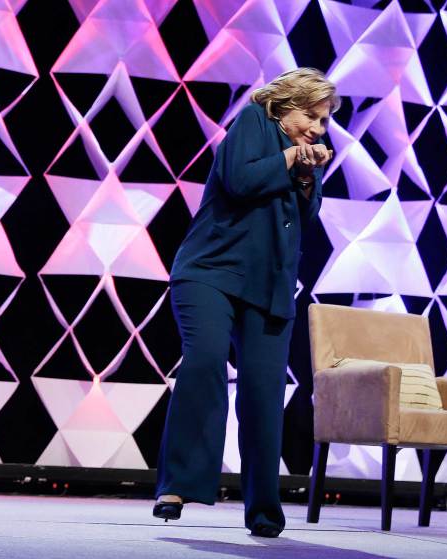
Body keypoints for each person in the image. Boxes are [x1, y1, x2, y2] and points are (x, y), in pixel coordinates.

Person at [152, 67, 339, 538]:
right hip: (211, 272)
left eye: (323, 122)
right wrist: (293, 156)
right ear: (287, 106)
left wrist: (306, 177)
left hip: (270, 287)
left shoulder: (303, 158)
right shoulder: (255, 120)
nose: (318, 129)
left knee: (263, 396)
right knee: (205, 361)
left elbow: (305, 218)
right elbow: (239, 180)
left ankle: (263, 511)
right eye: (312, 117)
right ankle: (180, 484)